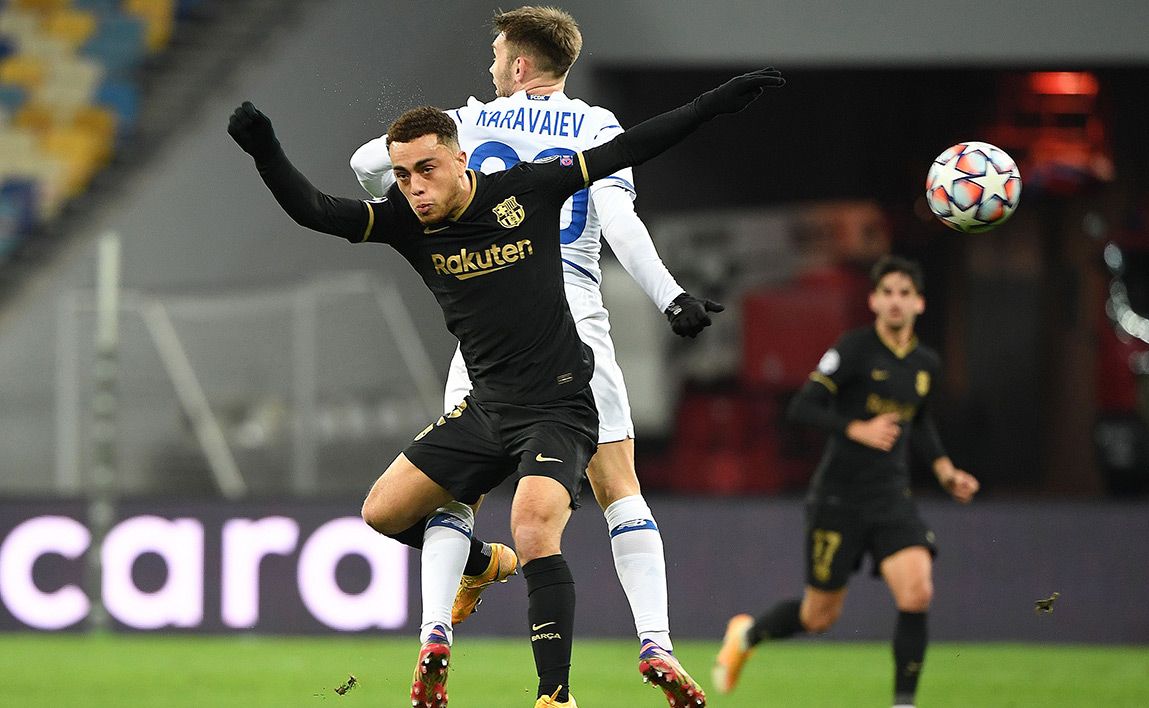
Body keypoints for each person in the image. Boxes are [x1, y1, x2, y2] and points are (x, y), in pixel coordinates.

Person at [229, 67, 783, 707]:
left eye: (427, 169)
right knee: (382, 512)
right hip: (487, 409)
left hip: (558, 405)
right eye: (402, 175)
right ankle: (479, 564)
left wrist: (715, 102)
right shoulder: (410, 223)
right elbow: (315, 211)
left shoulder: (527, 189)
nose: (414, 188)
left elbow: (626, 150)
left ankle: (555, 695)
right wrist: (264, 147)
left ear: (461, 159)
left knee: (534, 528)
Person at [348, 8, 721, 704]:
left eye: (497, 56)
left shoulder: (471, 123)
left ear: (518, 65)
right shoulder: (596, 125)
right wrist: (671, 296)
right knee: (620, 488)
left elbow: (367, 165)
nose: (491, 67)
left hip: (487, 322)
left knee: (456, 487)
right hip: (574, 317)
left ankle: (435, 632)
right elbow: (617, 220)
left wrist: (398, 198)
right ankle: (656, 644)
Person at [712, 255, 979, 708]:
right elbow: (803, 406)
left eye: (905, 293)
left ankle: (903, 703)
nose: (896, 302)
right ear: (874, 300)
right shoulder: (853, 350)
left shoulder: (925, 364)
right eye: (888, 292)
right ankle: (748, 633)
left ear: (920, 303)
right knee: (819, 617)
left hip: (891, 496)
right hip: (838, 497)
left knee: (917, 591)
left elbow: (921, 420)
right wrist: (857, 428)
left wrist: (944, 470)